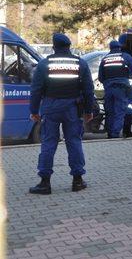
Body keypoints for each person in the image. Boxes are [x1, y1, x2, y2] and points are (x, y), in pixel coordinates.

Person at [28, 33, 94, 195]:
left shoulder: (45, 64)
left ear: (54, 47)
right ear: (69, 46)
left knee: (49, 143)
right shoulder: (80, 63)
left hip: (51, 107)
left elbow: (36, 89)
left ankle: (44, 183)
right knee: (74, 142)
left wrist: (34, 111)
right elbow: (88, 89)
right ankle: (77, 181)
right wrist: (89, 111)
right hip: (73, 107)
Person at [98, 40, 132, 138]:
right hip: (121, 89)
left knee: (109, 112)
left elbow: (101, 78)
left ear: (110, 48)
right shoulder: (125, 56)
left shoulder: (104, 59)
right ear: (119, 47)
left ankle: (109, 133)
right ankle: (114, 134)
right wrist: (128, 76)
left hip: (108, 89)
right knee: (119, 112)